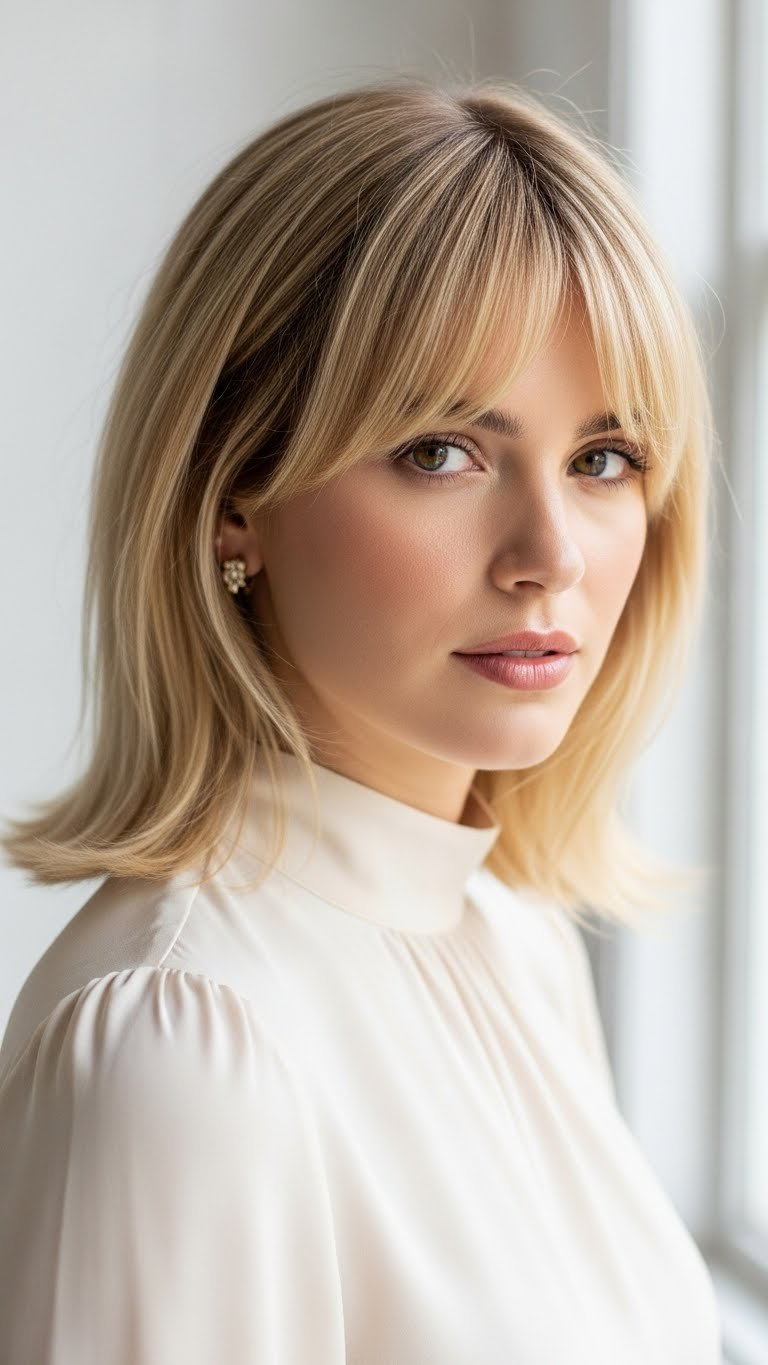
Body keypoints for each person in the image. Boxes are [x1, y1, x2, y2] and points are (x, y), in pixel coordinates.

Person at [0, 80, 722, 1363]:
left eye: (603, 458)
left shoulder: (518, 948)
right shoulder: (183, 1044)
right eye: (442, 450)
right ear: (234, 496)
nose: (549, 555)